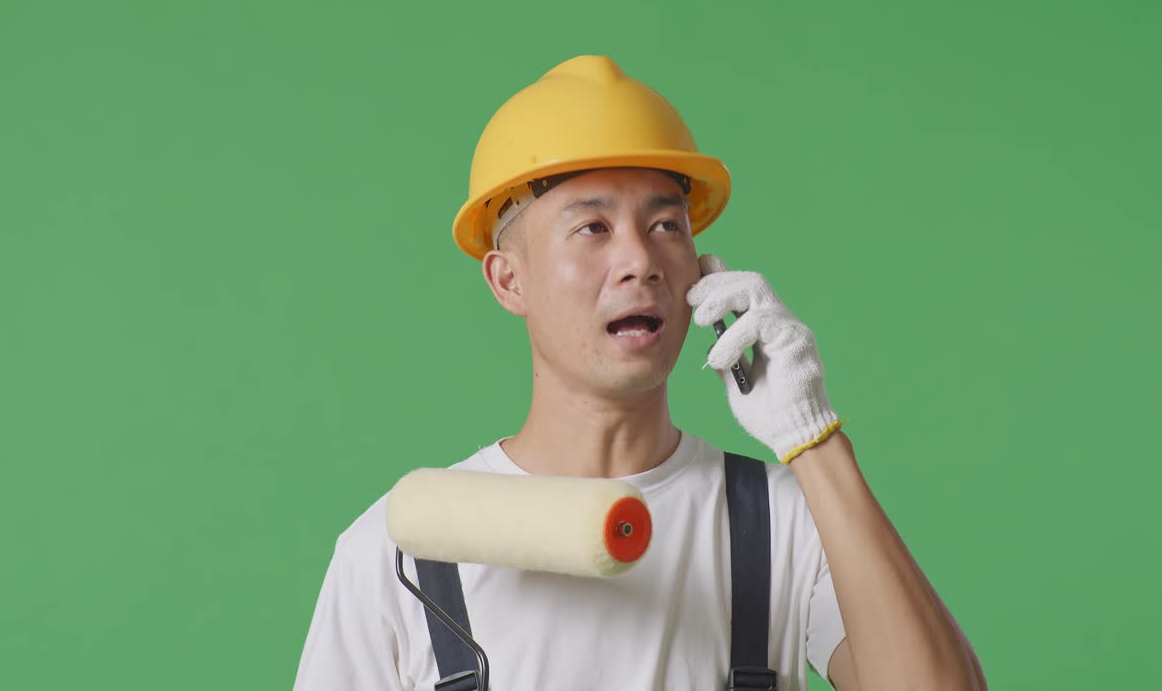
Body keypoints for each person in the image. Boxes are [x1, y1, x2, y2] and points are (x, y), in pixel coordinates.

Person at [292, 55, 986, 691]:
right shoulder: (398, 552)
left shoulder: (785, 523)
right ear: (508, 280)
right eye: (592, 228)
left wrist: (814, 438)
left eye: (665, 226)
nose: (640, 261)